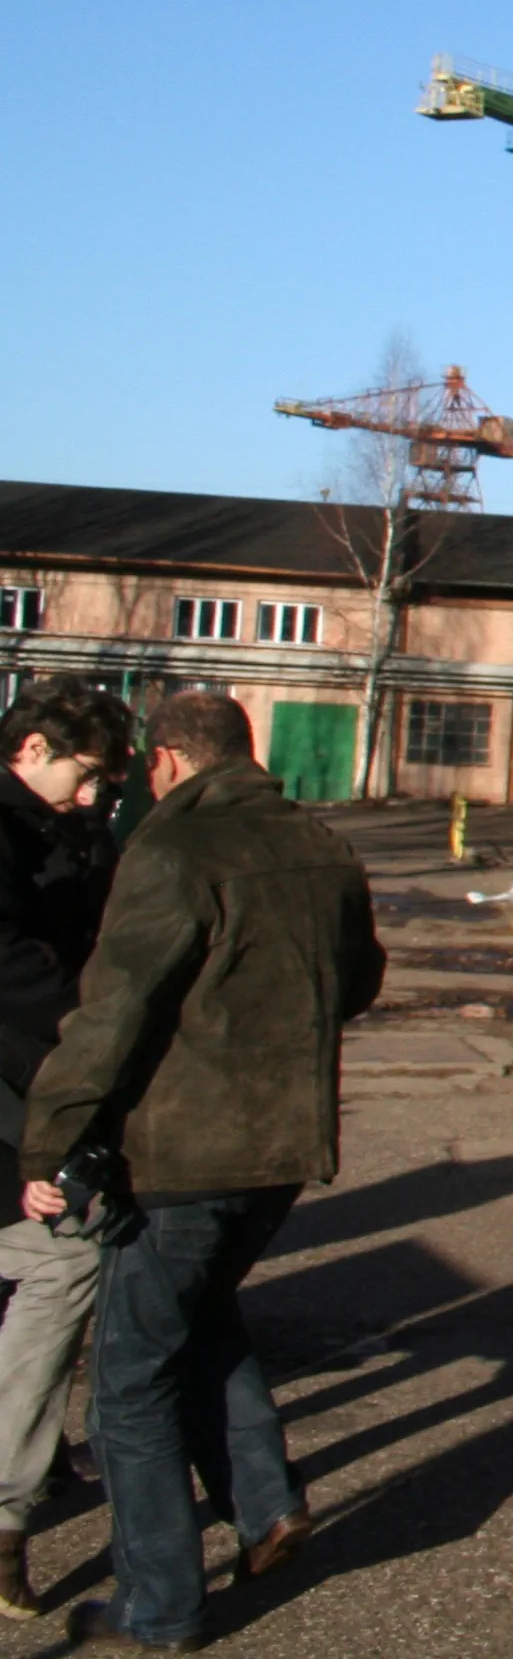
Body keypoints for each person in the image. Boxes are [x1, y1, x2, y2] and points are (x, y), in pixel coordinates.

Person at [21, 689, 383, 1653]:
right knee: (198, 1311)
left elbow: (114, 1011)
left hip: (183, 1150)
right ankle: (265, 1504)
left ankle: (159, 1609)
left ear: (171, 761)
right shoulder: (321, 843)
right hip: (285, 1147)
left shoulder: (172, 850)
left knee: (128, 1386)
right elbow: (358, 981)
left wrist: (50, 1140)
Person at [0, 678, 134, 1615]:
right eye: (83, 774)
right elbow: (17, 980)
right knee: (60, 1265)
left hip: (33, 1093)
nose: (90, 795)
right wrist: (84, 1043)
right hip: (27, 1094)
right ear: (32, 748)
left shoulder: (56, 829)